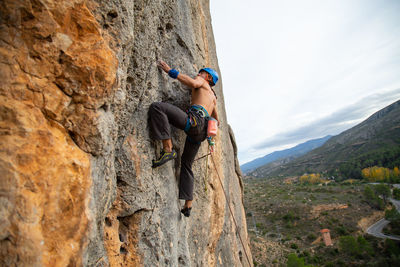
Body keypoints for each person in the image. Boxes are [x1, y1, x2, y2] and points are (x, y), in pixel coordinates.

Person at [149, 60, 219, 217]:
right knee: (187, 164)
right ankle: (188, 205)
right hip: (201, 132)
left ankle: (168, 149)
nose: (198, 74)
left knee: (157, 107)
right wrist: (211, 140)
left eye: (201, 73)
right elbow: (216, 120)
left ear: (207, 77)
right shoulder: (213, 97)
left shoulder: (202, 81)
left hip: (194, 120)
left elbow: (193, 83)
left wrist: (170, 71)